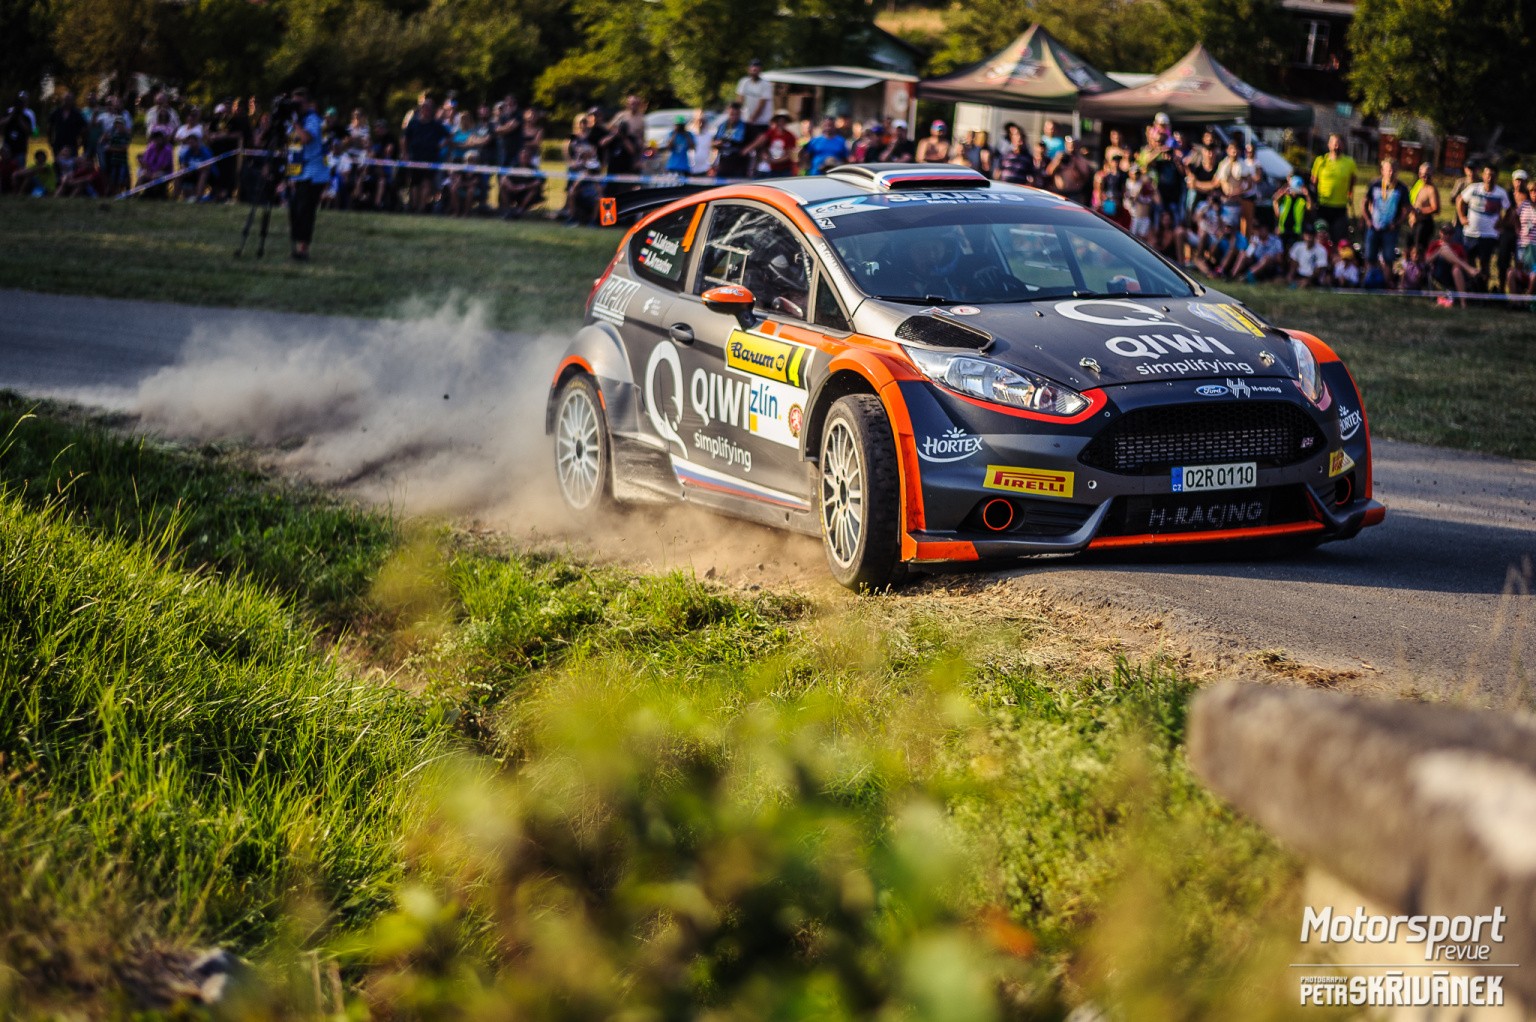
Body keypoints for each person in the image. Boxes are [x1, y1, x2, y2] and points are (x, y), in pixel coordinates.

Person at [286, 88, 327, 260]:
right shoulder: (296, 120)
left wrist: (295, 123)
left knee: (305, 211)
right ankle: (298, 245)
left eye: (299, 103)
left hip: (313, 173)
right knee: (295, 210)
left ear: (307, 103)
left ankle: (303, 248)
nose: (296, 106)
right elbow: (292, 146)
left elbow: (305, 138)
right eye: (294, 102)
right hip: (299, 172)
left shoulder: (312, 119)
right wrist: (291, 175)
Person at [1456, 163, 1508, 285]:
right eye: (1487, 175)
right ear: (1483, 175)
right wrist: (1462, 217)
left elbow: (1509, 210)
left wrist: (1502, 222)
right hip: (1470, 233)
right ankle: (1470, 286)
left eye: (1493, 175)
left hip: (1489, 234)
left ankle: (1483, 288)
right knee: (1469, 261)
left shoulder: (1501, 193)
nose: (1490, 178)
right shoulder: (1474, 188)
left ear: (1496, 177)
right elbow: (1460, 200)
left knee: (1485, 263)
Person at [1362, 159, 1410, 280]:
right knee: (1370, 256)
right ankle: (1368, 281)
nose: (1391, 173)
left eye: (1393, 170)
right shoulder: (1375, 184)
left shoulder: (1402, 188)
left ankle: (1386, 283)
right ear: (1382, 170)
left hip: (1390, 229)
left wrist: (1396, 223)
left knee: (1388, 258)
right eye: (1388, 170)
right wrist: (1367, 220)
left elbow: (1406, 209)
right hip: (1374, 227)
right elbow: (1364, 202)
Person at [402, 95, 448, 212]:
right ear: (421, 109)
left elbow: (449, 136)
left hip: (430, 158)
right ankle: (414, 207)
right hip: (415, 157)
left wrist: (441, 145)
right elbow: (405, 138)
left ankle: (421, 209)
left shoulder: (436, 124)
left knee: (426, 183)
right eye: (424, 107)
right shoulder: (413, 123)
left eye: (429, 108)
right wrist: (405, 153)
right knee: (414, 184)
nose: (426, 110)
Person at [1310, 133, 1356, 241]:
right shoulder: (1321, 161)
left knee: (1338, 237)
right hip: (1323, 205)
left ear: (1343, 145)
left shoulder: (1349, 162)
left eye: (1339, 143)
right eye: (1334, 143)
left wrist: (1349, 195)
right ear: (1329, 145)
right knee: (1321, 237)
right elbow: (1313, 181)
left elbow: (1352, 181)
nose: (1336, 146)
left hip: (1340, 206)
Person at [1425, 223, 1477, 303]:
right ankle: (1469, 269)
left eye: (1450, 233)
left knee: (1456, 270)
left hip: (1456, 273)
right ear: (1440, 232)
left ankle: (1463, 302)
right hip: (1440, 271)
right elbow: (1427, 261)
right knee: (1444, 248)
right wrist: (1439, 252)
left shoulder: (1458, 247)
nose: (1447, 235)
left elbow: (1465, 261)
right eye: (1445, 232)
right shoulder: (1434, 245)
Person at [744, 109, 797, 178]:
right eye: (779, 120)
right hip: (770, 169)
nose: (781, 123)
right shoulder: (770, 133)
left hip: (784, 169)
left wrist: (774, 161)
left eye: (783, 121)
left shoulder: (790, 136)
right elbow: (762, 145)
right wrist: (764, 155)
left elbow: (789, 154)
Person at [735, 58, 774, 146]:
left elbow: (761, 105)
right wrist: (736, 115)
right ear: (748, 69)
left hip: (761, 122)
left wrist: (752, 120)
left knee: (759, 145)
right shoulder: (744, 82)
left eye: (757, 67)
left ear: (760, 69)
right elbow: (739, 100)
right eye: (752, 67)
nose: (754, 69)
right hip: (747, 121)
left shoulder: (766, 85)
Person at [1407, 161, 1440, 259]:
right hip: (1414, 223)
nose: (1425, 178)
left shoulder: (1431, 189)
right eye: (1423, 175)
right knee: (1409, 248)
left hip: (1424, 224)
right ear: (1419, 174)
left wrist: (1419, 211)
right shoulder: (1418, 185)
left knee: (1419, 251)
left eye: (1428, 176)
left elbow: (1436, 208)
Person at [1047, 136, 1092, 205]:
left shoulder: (1081, 159)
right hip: (1059, 193)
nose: (1071, 146)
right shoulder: (1059, 156)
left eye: (1073, 144)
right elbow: (1048, 172)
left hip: (1074, 194)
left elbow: (1085, 177)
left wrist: (1075, 165)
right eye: (1069, 144)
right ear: (1065, 144)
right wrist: (1057, 163)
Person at [1273, 175, 1310, 256]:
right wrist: (1283, 191)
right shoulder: (1285, 198)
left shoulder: (1302, 200)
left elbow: (1310, 207)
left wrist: (1307, 194)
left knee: (1292, 252)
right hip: (1283, 230)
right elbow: (1275, 200)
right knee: (1281, 252)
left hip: (1295, 231)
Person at [712, 103, 750, 178]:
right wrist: (717, 143)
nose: (734, 117)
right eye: (732, 114)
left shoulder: (746, 127)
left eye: (736, 114)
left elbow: (761, 138)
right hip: (723, 166)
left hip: (739, 167)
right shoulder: (722, 126)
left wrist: (748, 148)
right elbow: (714, 143)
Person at [47, 91, 87, 161]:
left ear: (73, 100)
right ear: (62, 99)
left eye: (70, 99)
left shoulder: (77, 113)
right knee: (58, 163)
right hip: (58, 143)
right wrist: (50, 141)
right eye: (66, 99)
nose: (67, 101)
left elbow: (83, 128)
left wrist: (81, 141)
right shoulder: (55, 112)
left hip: (72, 143)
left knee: (72, 164)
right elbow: (49, 127)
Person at [1094, 153, 1129, 227]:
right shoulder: (1107, 175)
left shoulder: (1124, 175)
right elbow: (1101, 188)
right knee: (1109, 221)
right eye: (1115, 161)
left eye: (1118, 161)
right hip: (1109, 200)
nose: (1116, 163)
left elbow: (1124, 189)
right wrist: (1100, 200)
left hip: (1119, 200)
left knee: (1119, 222)